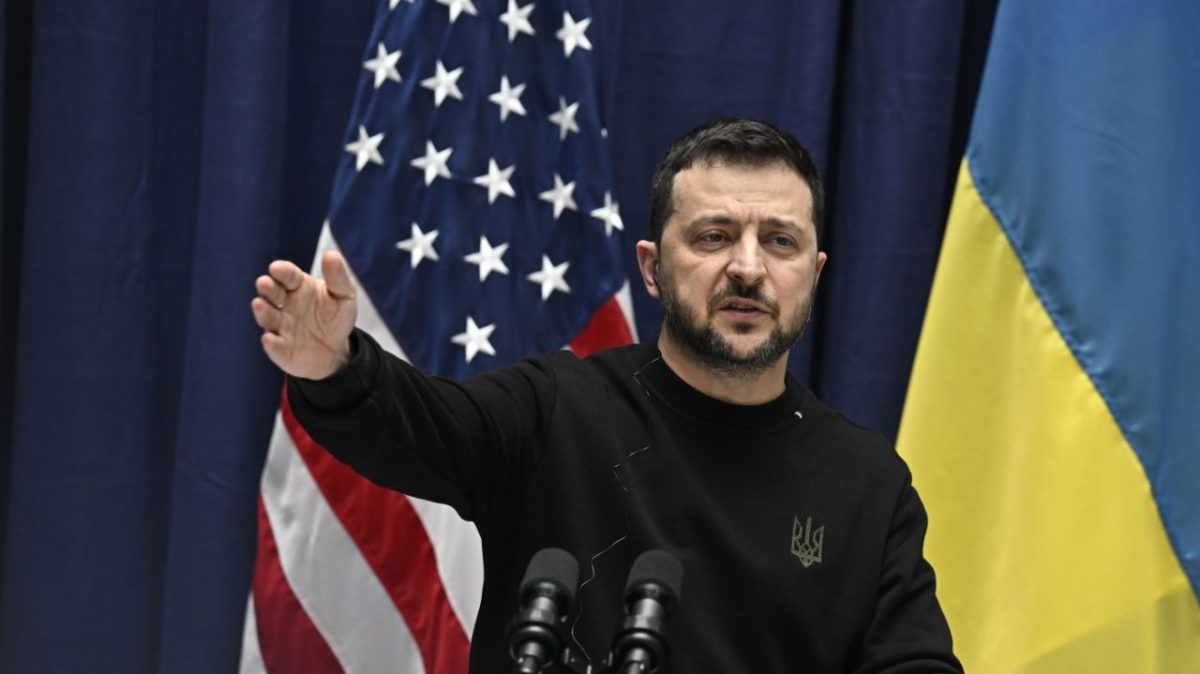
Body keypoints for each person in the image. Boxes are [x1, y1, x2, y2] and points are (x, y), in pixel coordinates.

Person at [251, 118, 962, 673]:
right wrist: (338, 367)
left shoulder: (867, 482)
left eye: (780, 242)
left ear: (815, 272)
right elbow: (419, 425)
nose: (748, 268)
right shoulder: (559, 409)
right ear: (651, 268)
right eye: (714, 236)